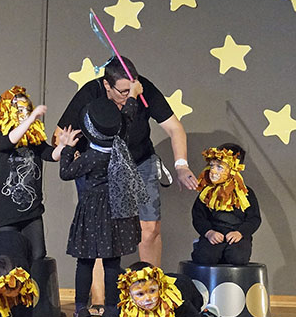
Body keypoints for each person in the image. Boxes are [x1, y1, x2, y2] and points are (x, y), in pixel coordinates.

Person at [54, 56, 197, 267]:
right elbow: (59, 134)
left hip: (138, 160)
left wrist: (181, 166)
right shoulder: (91, 93)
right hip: (100, 168)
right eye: (123, 92)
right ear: (107, 85)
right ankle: (99, 290)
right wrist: (74, 155)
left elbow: (174, 128)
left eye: (133, 90)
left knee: (150, 228)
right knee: (99, 235)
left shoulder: (142, 89)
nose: (130, 96)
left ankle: (151, 283)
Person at [60, 96, 145, 317]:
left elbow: (66, 173)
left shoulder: (90, 157)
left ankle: (81, 310)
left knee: (85, 261)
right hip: (117, 210)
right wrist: (132, 97)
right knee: (112, 263)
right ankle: (110, 311)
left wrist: (68, 148)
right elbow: (127, 118)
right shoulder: (121, 144)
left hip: (91, 211)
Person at [0, 85, 68, 261]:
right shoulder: (2, 136)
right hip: (7, 211)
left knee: (37, 254)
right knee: (8, 255)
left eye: (27, 109)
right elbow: (11, 139)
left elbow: (51, 155)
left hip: (31, 211)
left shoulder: (34, 140)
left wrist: (63, 145)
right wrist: (32, 118)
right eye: (19, 110)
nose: (25, 113)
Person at [191, 143, 261, 265]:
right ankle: (201, 246)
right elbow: (198, 216)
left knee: (238, 259)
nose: (213, 171)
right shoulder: (207, 193)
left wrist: (240, 233)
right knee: (205, 258)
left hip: (236, 235)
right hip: (214, 234)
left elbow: (254, 218)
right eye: (211, 165)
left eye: (219, 167)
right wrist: (208, 232)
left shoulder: (245, 193)